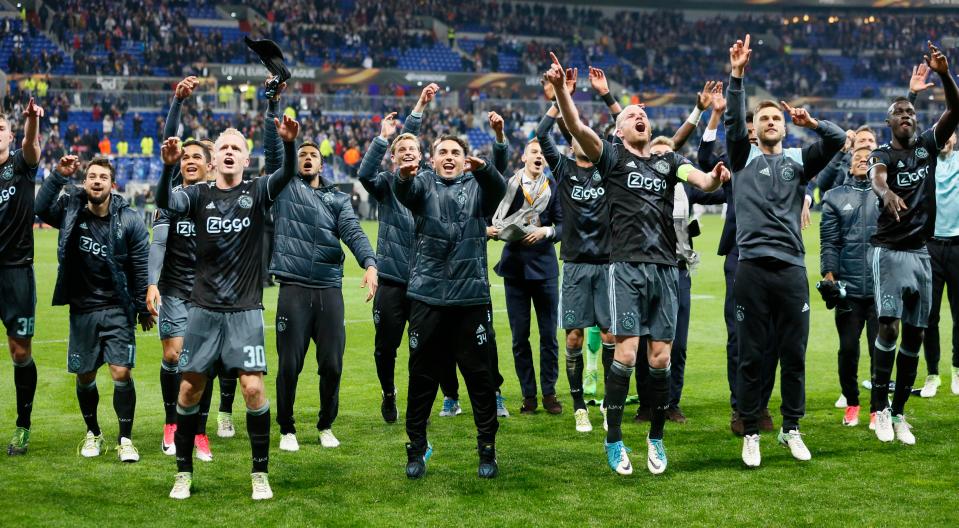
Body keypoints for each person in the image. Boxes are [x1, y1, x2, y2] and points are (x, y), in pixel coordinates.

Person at [548, 52, 729, 476]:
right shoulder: (611, 158)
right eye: (631, 114)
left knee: (660, 359)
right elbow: (575, 126)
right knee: (626, 353)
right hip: (626, 266)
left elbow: (701, 181)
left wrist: (716, 178)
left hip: (666, 269)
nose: (639, 115)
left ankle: (656, 439)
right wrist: (560, 90)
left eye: (643, 112)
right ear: (619, 128)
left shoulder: (669, 162)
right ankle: (613, 440)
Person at [156, 115, 299, 500]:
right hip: (201, 310)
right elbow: (165, 202)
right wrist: (169, 168)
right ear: (214, 159)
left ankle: (259, 474)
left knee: (253, 389)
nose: (231, 153)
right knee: (189, 390)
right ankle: (183, 472)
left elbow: (285, 176)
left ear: (246, 158)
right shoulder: (198, 195)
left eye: (237, 148)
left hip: (245, 310)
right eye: (224, 149)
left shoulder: (257, 191)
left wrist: (287, 144)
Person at [725, 34, 846, 467]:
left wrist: (812, 124)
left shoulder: (798, 160)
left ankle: (792, 428)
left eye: (777, 117)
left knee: (794, 355)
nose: (771, 122)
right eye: (765, 118)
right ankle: (752, 430)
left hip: (792, 269)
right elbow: (733, 123)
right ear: (755, 129)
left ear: (784, 125)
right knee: (751, 353)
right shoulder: (741, 158)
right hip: (752, 269)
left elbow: (837, 141)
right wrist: (737, 75)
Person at [262, 81, 378, 453]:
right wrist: (273, 108)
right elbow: (271, 153)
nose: (307, 157)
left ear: (322, 163)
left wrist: (370, 263)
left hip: (329, 288)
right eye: (302, 154)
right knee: (289, 367)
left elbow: (354, 232)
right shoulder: (284, 188)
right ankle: (287, 428)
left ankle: (326, 424)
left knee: (331, 364)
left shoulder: (337, 198)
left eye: (313, 154)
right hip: (294, 287)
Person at [393, 135, 506, 480]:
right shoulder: (423, 184)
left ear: (464, 159)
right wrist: (403, 175)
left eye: (456, 153)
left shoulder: (477, 186)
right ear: (432, 158)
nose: (449, 157)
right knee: (422, 378)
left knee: (480, 381)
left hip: (470, 299)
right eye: (442, 152)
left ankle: (487, 450)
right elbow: (404, 193)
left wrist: (484, 169)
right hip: (427, 298)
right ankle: (415, 449)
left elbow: (498, 192)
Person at [868, 42, 959, 446]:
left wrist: (943, 73)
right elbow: (878, 175)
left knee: (916, 336)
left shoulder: (927, 146)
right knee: (888, 326)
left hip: (922, 252)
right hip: (889, 251)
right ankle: (879, 408)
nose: (906, 117)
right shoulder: (881, 152)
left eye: (911, 113)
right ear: (889, 122)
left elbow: (955, 110)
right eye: (899, 113)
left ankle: (900, 411)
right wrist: (885, 193)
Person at [35, 155, 152, 462]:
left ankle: (125, 439)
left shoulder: (130, 220)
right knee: (85, 375)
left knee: (121, 371)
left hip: (117, 307)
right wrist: (58, 177)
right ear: (84, 182)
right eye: (91, 176)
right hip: (82, 308)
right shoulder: (71, 209)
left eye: (103, 177)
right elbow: (40, 208)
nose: (97, 181)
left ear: (113, 185)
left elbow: (140, 267)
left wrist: (142, 308)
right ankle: (93, 433)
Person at [356, 84, 459, 423]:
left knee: (425, 349)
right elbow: (365, 172)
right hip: (391, 282)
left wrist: (419, 107)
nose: (410, 152)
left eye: (416, 149)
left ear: (423, 155)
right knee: (386, 349)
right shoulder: (385, 184)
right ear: (394, 157)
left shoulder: (430, 184)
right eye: (403, 150)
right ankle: (389, 393)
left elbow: (409, 148)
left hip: (424, 284)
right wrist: (385, 137)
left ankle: (421, 404)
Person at [147, 77, 225, 463]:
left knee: (202, 362)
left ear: (209, 165)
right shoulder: (172, 199)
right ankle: (171, 423)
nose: (190, 161)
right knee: (176, 357)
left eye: (198, 158)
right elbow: (158, 243)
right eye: (186, 158)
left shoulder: (217, 199)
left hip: (208, 292)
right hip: (175, 289)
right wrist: (150, 283)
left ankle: (199, 432)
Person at [535, 74, 616, 433]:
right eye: (579, 134)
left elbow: (626, 130)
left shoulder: (609, 168)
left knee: (612, 336)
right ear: (571, 144)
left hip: (608, 265)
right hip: (576, 265)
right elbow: (541, 134)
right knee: (573, 338)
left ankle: (608, 401)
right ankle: (579, 406)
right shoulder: (563, 169)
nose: (586, 138)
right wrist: (559, 96)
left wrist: (605, 97)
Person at [490, 136, 563, 416]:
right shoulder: (509, 185)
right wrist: (498, 231)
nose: (539, 156)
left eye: (542, 153)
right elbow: (494, 218)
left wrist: (546, 231)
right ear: (523, 157)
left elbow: (563, 224)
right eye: (534, 152)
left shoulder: (552, 186)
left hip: (544, 268)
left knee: (548, 337)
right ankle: (528, 395)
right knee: (520, 337)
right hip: (516, 268)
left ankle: (549, 393)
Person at [819, 146, 880, 428]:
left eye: (868, 158)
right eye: (857, 157)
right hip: (849, 290)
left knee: (881, 350)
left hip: (882, 287)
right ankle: (853, 402)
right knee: (847, 350)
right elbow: (829, 243)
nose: (862, 160)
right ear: (850, 164)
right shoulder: (834, 197)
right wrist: (829, 278)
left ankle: (879, 408)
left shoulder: (887, 195)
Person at [0, 98, 42, 455]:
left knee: (19, 351)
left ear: (9, 135)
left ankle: (23, 426)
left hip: (16, 272)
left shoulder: (20, 163)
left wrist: (31, 121)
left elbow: (32, 146)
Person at [921, 132, 959, 397]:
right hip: (931, 246)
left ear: (955, 138)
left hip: (958, 246)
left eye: (950, 134)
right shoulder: (925, 164)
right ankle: (932, 373)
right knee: (929, 316)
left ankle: (958, 370)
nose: (946, 138)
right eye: (941, 134)